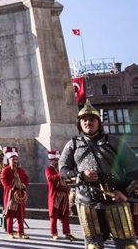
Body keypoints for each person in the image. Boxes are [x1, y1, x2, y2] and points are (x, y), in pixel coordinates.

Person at [59, 100, 138, 249]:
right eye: (84, 120)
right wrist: (81, 175)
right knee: (93, 245)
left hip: (115, 200)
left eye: (92, 119)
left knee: (127, 245)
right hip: (86, 201)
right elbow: (63, 171)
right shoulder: (73, 145)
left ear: (99, 122)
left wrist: (124, 192)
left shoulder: (115, 142)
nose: (88, 122)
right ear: (80, 124)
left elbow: (135, 171)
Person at [45, 150, 75, 241]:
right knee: (54, 215)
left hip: (64, 195)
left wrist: (70, 179)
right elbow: (50, 179)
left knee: (65, 215)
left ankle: (67, 233)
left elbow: (66, 179)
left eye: (58, 160)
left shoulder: (61, 169)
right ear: (51, 160)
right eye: (55, 160)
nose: (57, 161)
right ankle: (54, 233)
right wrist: (60, 175)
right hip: (55, 195)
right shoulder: (49, 169)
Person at [1, 147, 29, 239]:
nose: (15, 162)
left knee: (21, 215)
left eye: (16, 160)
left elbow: (26, 180)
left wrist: (23, 185)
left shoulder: (21, 171)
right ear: (9, 161)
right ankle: (10, 232)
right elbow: (3, 180)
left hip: (20, 196)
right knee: (10, 214)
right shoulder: (6, 170)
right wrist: (12, 186)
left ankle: (21, 232)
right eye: (13, 160)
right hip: (11, 196)